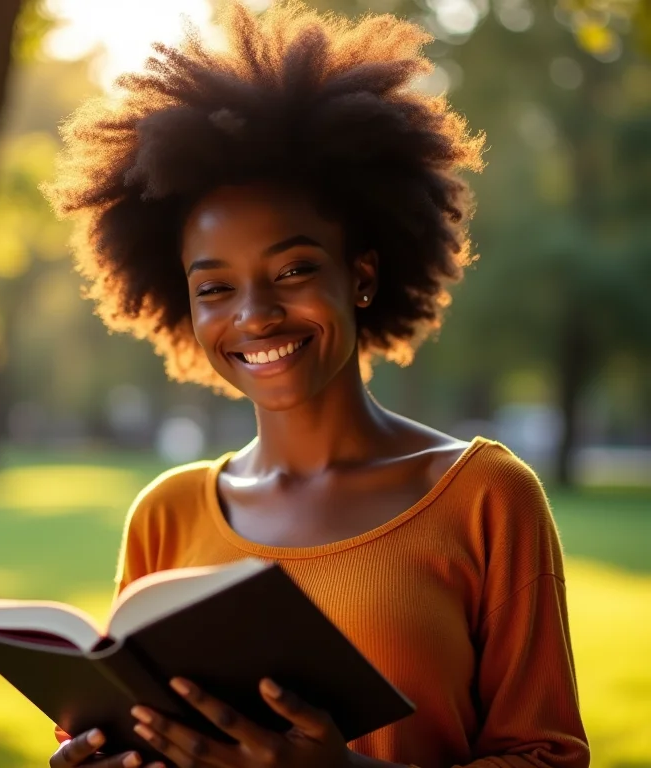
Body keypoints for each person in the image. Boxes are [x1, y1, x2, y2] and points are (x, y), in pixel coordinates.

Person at [42, 2, 589, 767]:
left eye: (294, 270)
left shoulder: (485, 498)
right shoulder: (164, 515)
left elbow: (547, 757)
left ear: (360, 276)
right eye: (215, 288)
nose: (255, 316)